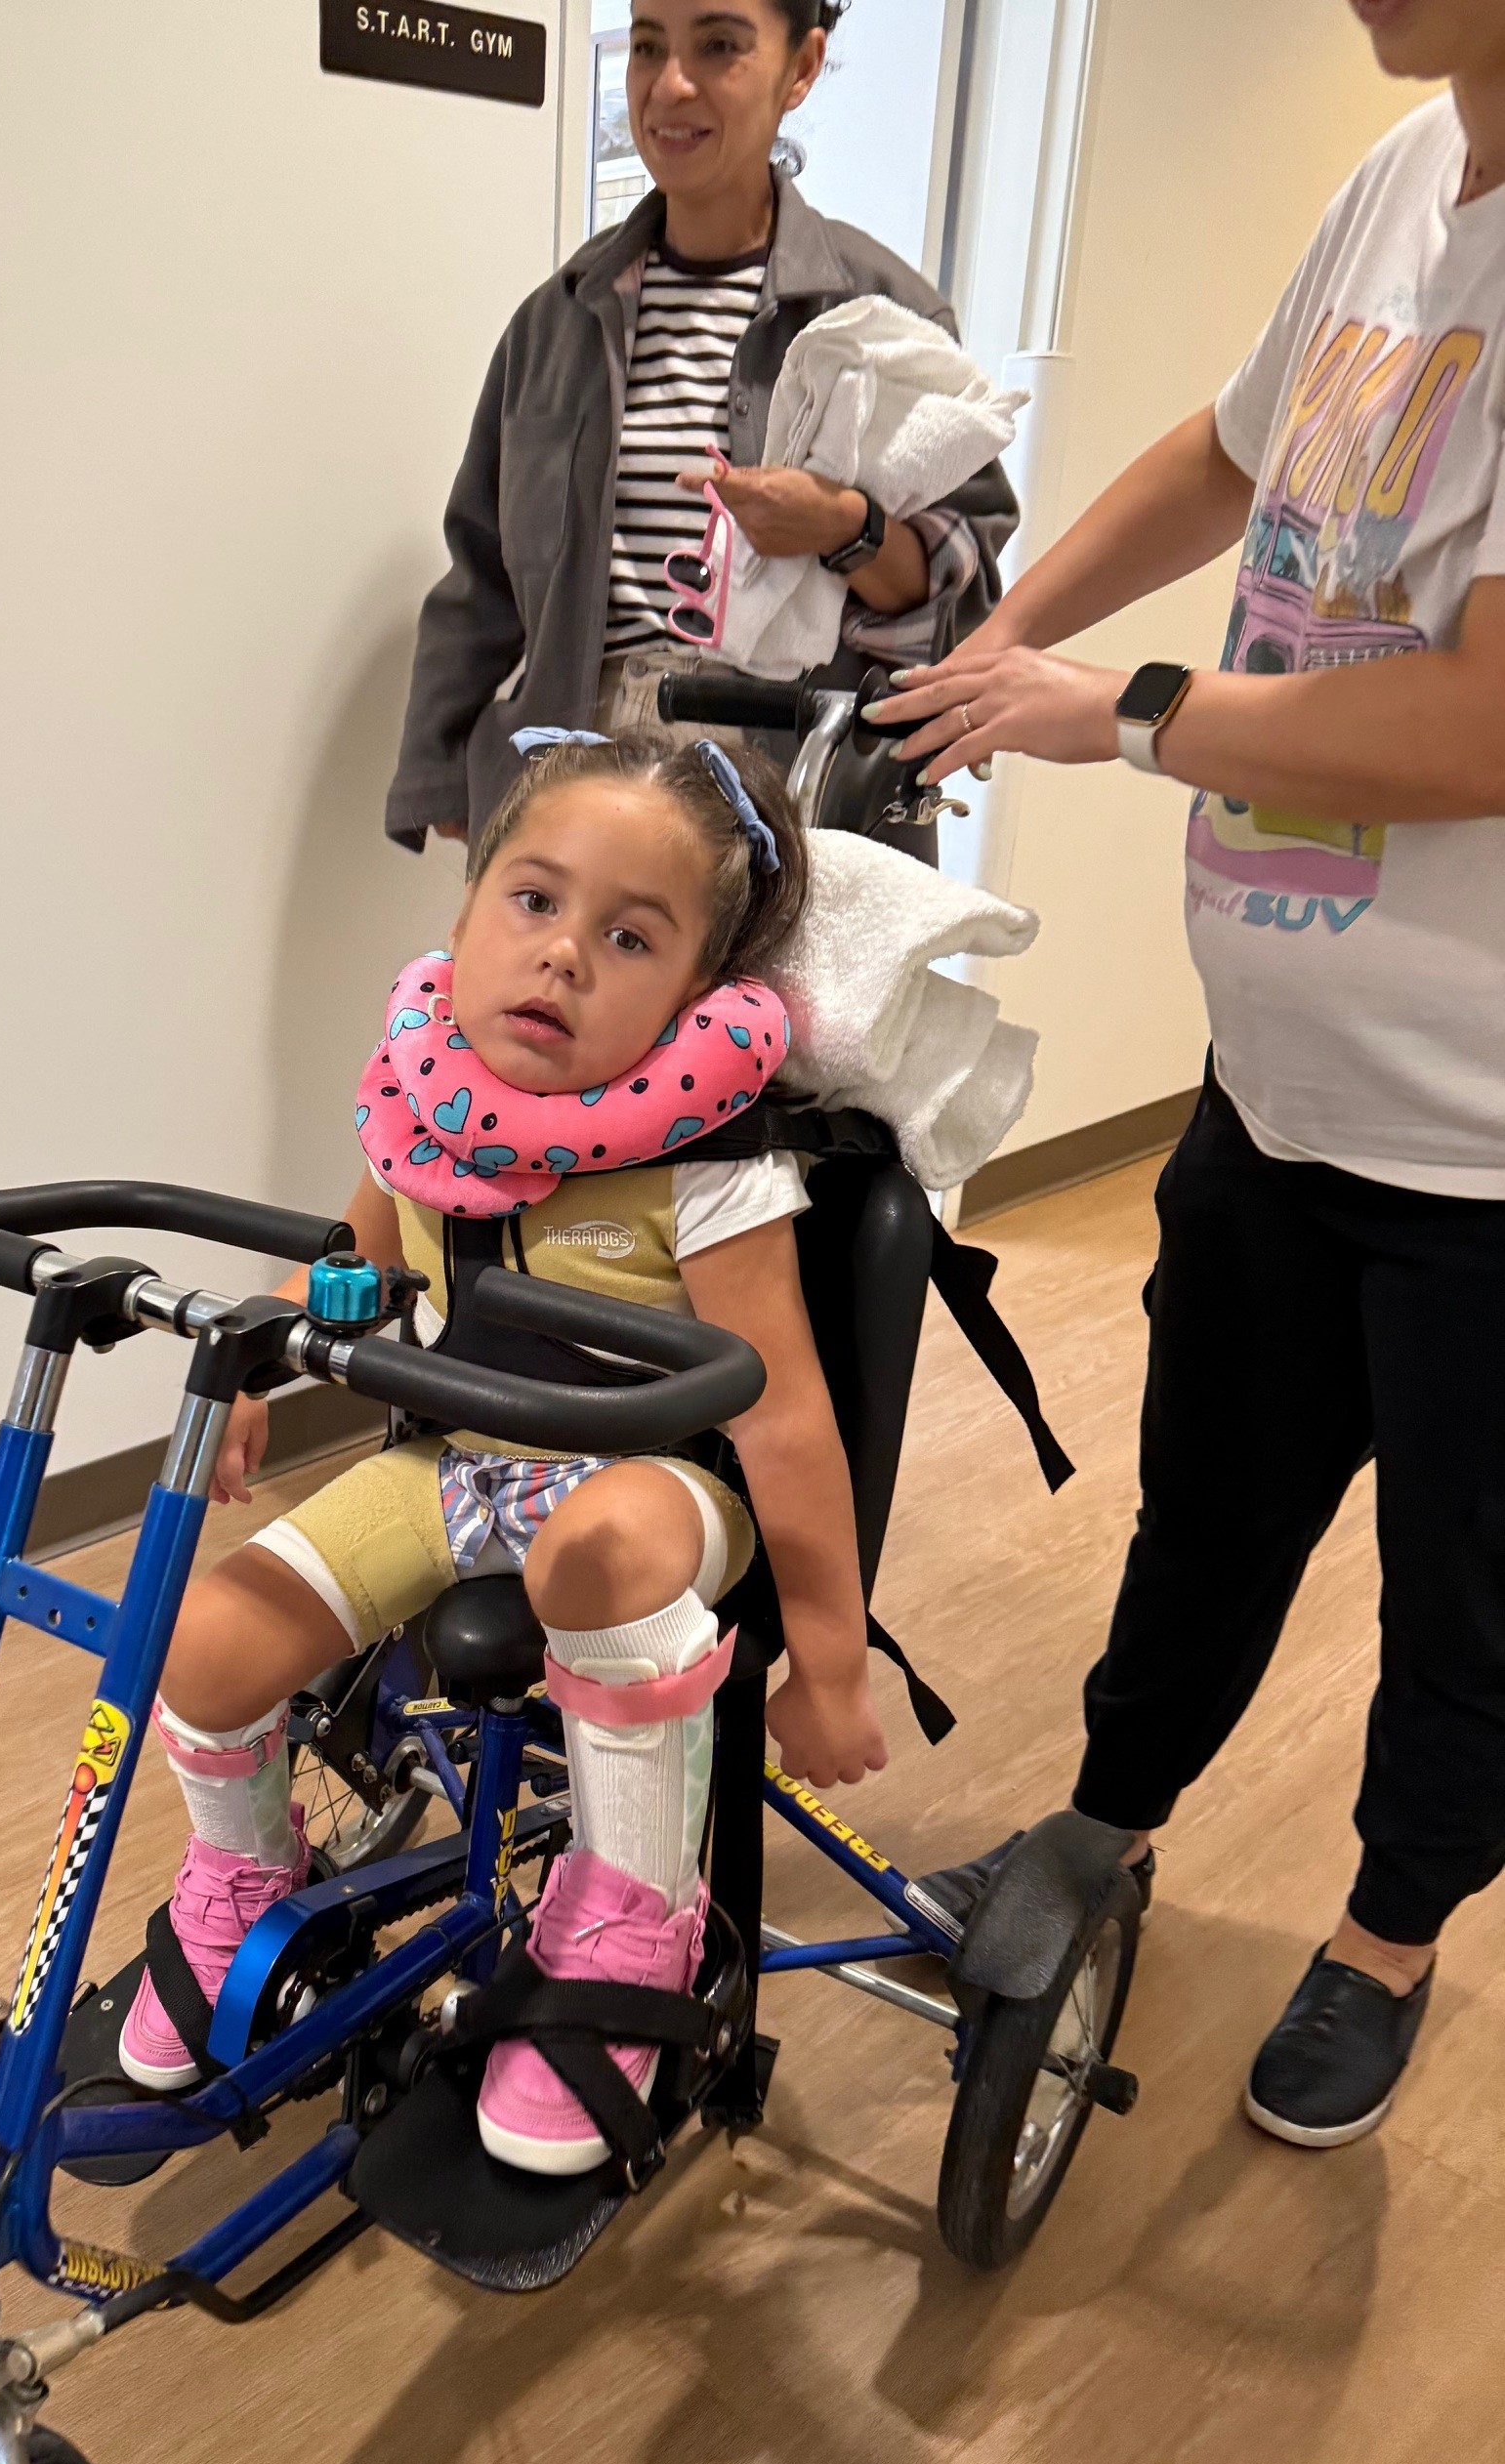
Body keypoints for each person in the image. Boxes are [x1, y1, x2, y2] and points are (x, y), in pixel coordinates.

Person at [870, 0, 1505, 2149]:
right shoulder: (1405, 177)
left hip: (1488, 1154)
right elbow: (1229, 457)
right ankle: (1103, 1827)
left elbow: (1485, 727)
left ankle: (1389, 1938)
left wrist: (1123, 707)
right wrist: (993, 646)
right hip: (1282, 1083)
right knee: (1207, 1512)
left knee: (1468, 1596)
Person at [120, 727, 886, 2175]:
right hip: (453, 1464)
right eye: (532, 903)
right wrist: (253, 1367)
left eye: (629, 936)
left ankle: (627, 1917)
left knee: (592, 1547)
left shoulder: (709, 1162)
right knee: (206, 1640)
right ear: (463, 918)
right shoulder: (430, 1109)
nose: (562, 957)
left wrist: (830, 1665)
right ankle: (242, 1866)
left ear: (694, 997)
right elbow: (344, 1256)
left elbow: (780, 1413)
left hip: (651, 1487)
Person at [384, 0, 1015, 853]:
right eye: (649, 47)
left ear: (801, 66)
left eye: (718, 46)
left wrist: (843, 526)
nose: (671, 86)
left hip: (794, 805)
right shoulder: (557, 321)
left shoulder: (882, 320)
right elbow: (481, 571)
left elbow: (961, 598)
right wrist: (439, 772)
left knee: (762, 999)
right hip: (572, 790)